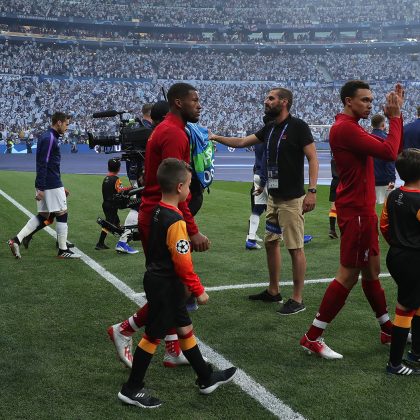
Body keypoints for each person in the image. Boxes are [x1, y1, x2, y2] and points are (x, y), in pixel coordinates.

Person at [117, 158, 236, 408]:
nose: (191, 190)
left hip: (158, 279)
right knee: (152, 336)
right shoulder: (176, 221)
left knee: (183, 327)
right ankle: (132, 388)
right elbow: (183, 263)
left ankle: (205, 377)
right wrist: (198, 290)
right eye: (190, 185)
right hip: (166, 285)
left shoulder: (158, 210)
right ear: (180, 187)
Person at [108, 83, 210, 369]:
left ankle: (173, 349)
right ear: (178, 102)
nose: (199, 105)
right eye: (195, 100)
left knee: (173, 290)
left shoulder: (166, 130)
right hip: (163, 216)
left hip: (154, 213)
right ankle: (125, 329)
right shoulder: (174, 135)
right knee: (173, 291)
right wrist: (192, 229)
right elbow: (177, 189)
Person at [300, 81, 404, 359]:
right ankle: (312, 336)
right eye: (365, 100)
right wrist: (395, 118)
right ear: (348, 101)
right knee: (348, 274)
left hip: (361, 208)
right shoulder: (346, 128)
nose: (370, 104)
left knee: (371, 271)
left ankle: (387, 330)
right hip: (356, 210)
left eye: (371, 100)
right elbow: (389, 153)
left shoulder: (350, 125)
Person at [209, 87, 319, 316]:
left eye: (271, 98)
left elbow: (313, 158)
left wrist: (312, 191)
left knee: (295, 248)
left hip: (291, 199)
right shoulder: (269, 127)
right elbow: (240, 141)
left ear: (284, 102)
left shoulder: (298, 127)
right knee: (270, 243)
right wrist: (214, 137)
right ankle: (273, 291)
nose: (265, 101)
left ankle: (297, 298)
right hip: (273, 197)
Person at [8, 112, 80, 259]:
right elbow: (44, 163)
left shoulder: (48, 136)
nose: (67, 127)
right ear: (59, 122)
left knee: (44, 215)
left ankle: (16, 240)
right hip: (50, 183)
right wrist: (42, 187)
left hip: (50, 182)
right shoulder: (50, 138)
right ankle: (62, 250)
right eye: (66, 124)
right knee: (62, 213)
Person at [380, 148, 420, 376]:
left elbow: (384, 225)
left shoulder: (394, 195)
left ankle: (416, 352)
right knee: (406, 307)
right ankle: (395, 363)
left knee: (416, 301)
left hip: (396, 255)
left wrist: (398, 243)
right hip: (414, 258)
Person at [95, 158, 139, 254]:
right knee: (108, 224)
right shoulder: (116, 179)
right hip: (112, 205)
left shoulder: (106, 178)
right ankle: (100, 243)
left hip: (105, 204)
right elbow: (121, 190)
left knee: (116, 223)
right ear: (119, 169)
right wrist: (131, 188)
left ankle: (123, 237)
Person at [245, 142, 267, 250]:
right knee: (281, 204)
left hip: (257, 174)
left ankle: (251, 238)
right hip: (269, 176)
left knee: (257, 208)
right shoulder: (272, 135)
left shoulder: (259, 138)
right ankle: (295, 236)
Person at [372, 114, 396, 204]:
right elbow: (390, 161)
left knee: (369, 208)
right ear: (383, 125)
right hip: (385, 179)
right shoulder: (387, 139)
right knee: (389, 209)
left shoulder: (366, 138)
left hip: (370, 179)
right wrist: (392, 179)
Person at [328, 152, 339, 239]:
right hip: (343, 182)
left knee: (333, 207)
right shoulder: (343, 156)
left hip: (334, 182)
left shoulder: (333, 158)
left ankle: (332, 229)